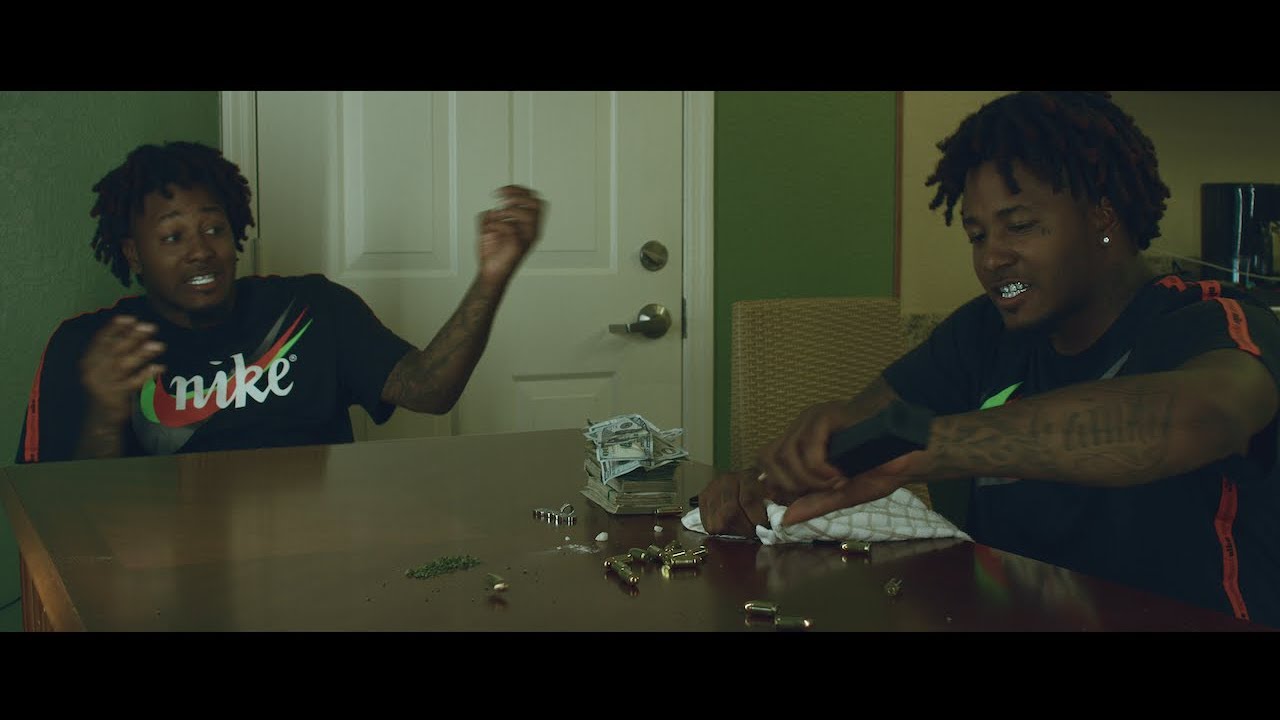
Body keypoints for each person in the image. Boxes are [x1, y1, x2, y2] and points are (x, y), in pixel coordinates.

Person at [705, 91, 1280, 626]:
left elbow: (1198, 418)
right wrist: (766, 483)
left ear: (1103, 216)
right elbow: (865, 429)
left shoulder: (1212, 320)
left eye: (1020, 226)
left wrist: (933, 446)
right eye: (977, 235)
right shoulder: (982, 333)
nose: (991, 258)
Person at [16, 141, 543, 463]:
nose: (201, 250)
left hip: (317, 565)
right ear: (134, 253)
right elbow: (65, 522)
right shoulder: (90, 347)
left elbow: (430, 389)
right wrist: (105, 415)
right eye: (173, 237)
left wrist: (492, 276)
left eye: (214, 228)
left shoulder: (312, 308)